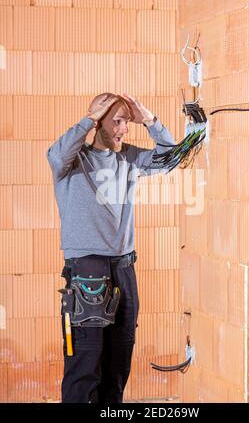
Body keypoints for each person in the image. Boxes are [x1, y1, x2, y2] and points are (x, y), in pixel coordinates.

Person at [46, 93, 176, 404]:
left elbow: (172, 159)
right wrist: (87, 120)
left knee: (119, 357)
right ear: (98, 122)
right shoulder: (73, 160)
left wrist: (151, 121)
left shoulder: (129, 157)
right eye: (117, 121)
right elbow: (56, 155)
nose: (123, 129)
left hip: (123, 268)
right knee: (85, 362)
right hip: (86, 268)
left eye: (127, 123)